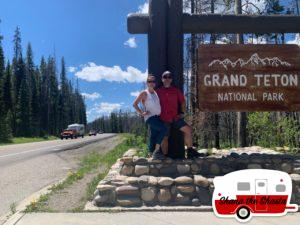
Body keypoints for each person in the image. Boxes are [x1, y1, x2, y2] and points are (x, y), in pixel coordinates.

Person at [156, 71, 201, 159]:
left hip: (175, 118)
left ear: (171, 79)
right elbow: (151, 101)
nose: (167, 79)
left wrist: (182, 113)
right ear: (162, 79)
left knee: (188, 130)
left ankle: (190, 152)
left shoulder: (176, 90)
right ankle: (164, 156)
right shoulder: (158, 91)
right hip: (163, 118)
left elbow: (183, 102)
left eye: (169, 77)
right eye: (165, 77)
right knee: (164, 137)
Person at [133, 75, 166, 160]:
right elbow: (134, 104)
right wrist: (142, 113)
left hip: (157, 117)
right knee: (164, 129)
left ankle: (151, 153)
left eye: (153, 81)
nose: (151, 83)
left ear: (155, 83)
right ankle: (156, 151)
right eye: (149, 81)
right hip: (150, 117)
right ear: (147, 83)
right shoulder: (144, 93)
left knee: (154, 136)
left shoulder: (155, 93)